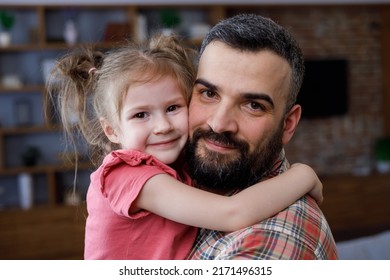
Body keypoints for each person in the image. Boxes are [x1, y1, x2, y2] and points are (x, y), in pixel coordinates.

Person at [46, 34, 323, 260]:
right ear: (112, 130)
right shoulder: (127, 175)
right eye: (141, 115)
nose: (163, 125)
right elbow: (231, 213)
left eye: (173, 107)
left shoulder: (175, 161)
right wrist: (304, 175)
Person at [185, 14, 339, 260]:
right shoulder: (166, 172)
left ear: (288, 124)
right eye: (209, 93)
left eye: (253, 105)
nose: (219, 123)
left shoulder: (268, 245)